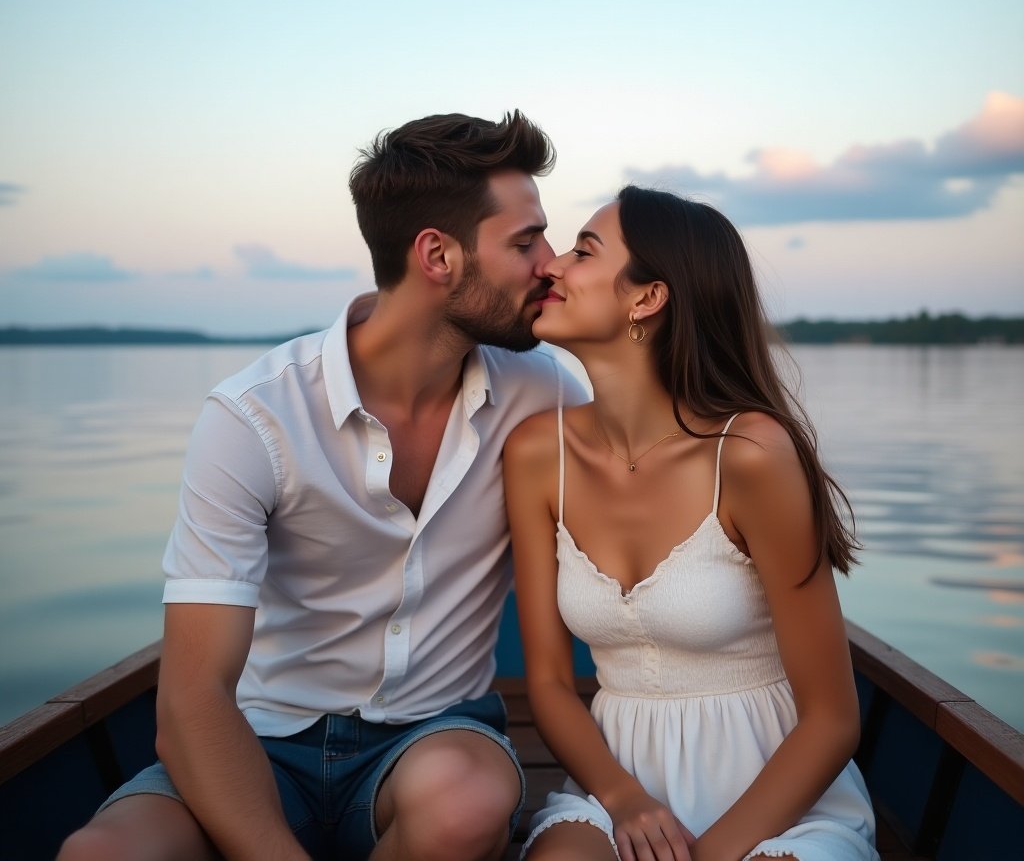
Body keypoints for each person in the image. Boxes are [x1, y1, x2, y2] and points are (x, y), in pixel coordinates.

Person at [58, 111, 586, 861]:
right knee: (102, 855)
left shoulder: (545, 391)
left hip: (434, 739)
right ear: (437, 255)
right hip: (264, 741)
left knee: (468, 805)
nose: (552, 263)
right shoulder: (255, 416)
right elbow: (193, 698)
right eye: (526, 241)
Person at [503, 186, 878, 861]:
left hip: (776, 797)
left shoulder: (752, 454)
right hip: (619, 786)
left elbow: (832, 719)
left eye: (584, 250)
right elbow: (553, 685)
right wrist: (622, 799)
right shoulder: (537, 453)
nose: (551, 266)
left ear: (646, 298)